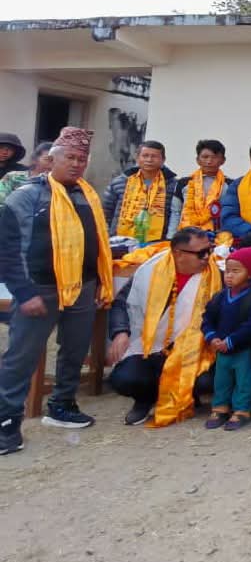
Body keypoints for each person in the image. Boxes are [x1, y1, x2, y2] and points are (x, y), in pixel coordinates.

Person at [0, 128, 112, 452]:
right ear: (51, 160)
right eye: (70, 158)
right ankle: (6, 423)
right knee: (21, 357)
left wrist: (98, 282)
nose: (76, 164)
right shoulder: (26, 196)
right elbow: (6, 249)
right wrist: (24, 292)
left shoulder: (87, 195)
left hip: (82, 286)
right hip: (40, 288)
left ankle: (62, 405)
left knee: (74, 349)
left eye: (82, 159)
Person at [108, 227, 221, 427]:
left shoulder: (217, 276)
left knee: (207, 380)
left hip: (194, 350)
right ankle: (146, 400)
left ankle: (187, 395)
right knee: (124, 378)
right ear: (178, 253)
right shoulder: (150, 270)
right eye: (201, 253)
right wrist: (120, 332)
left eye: (209, 250)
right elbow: (122, 303)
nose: (207, 257)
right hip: (151, 346)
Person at [201, 246, 251, 431]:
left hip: (244, 349)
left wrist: (230, 341)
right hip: (221, 349)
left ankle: (241, 410)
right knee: (221, 379)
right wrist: (212, 337)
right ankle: (220, 407)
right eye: (227, 271)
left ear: (250, 274)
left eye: (236, 271)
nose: (229, 276)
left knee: (244, 380)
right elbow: (207, 319)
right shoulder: (220, 297)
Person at [103, 140, 180, 243]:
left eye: (154, 156)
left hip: (158, 243)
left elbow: (176, 215)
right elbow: (106, 212)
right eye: (145, 156)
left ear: (163, 160)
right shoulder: (121, 182)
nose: (149, 160)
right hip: (120, 240)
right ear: (137, 158)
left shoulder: (173, 185)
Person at [177, 139, 230, 232]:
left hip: (218, 233)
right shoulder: (184, 182)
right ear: (197, 160)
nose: (209, 161)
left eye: (215, 157)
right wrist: (171, 236)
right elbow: (175, 211)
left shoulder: (230, 184)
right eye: (205, 157)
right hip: (187, 232)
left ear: (223, 160)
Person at [0, 141, 52, 206]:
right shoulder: (13, 177)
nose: (52, 164)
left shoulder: (57, 183)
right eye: (47, 159)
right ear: (35, 159)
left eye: (56, 160)